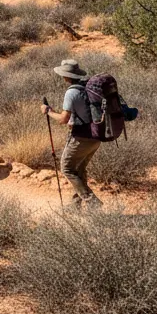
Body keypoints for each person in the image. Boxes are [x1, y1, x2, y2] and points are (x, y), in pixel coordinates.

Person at [40, 59, 101, 208]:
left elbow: (63, 119)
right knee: (79, 169)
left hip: (81, 138)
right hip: (96, 137)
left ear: (66, 76)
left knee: (67, 168)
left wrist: (48, 111)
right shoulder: (87, 88)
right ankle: (75, 205)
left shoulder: (72, 92)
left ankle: (92, 201)